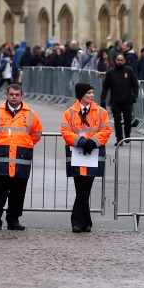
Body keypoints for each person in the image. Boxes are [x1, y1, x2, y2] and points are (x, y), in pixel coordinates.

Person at [0, 84, 42, 231]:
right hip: (0, 159)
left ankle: (13, 221)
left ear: (22, 96)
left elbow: (37, 134)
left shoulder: (31, 114)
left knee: (18, 192)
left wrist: (23, 143)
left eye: (17, 94)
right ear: (7, 95)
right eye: (11, 94)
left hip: (21, 159)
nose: (14, 97)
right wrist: (0, 144)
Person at [60, 83, 112, 232]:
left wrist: (93, 142)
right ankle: (83, 222)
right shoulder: (69, 112)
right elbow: (65, 131)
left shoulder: (101, 112)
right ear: (81, 95)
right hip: (76, 154)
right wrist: (81, 141)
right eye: (89, 93)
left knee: (85, 189)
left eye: (92, 92)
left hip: (92, 154)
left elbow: (106, 130)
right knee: (81, 189)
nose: (92, 95)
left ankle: (78, 221)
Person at [100, 53, 139, 144]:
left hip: (127, 100)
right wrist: (103, 100)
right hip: (115, 101)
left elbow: (135, 84)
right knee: (117, 120)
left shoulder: (129, 71)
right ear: (115, 61)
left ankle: (127, 135)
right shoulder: (110, 73)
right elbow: (105, 87)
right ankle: (119, 139)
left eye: (121, 60)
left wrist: (135, 96)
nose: (120, 62)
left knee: (127, 119)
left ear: (124, 61)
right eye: (118, 60)